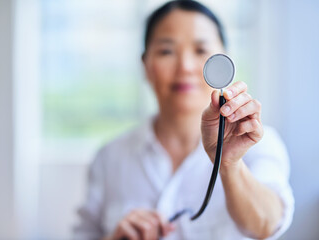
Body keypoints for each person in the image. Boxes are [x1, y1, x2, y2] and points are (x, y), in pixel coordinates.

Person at [74, 1, 294, 239]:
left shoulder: (257, 142)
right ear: (146, 66)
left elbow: (267, 225)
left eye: (200, 51)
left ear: (224, 61)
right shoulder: (110, 157)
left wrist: (229, 164)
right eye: (166, 51)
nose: (185, 67)